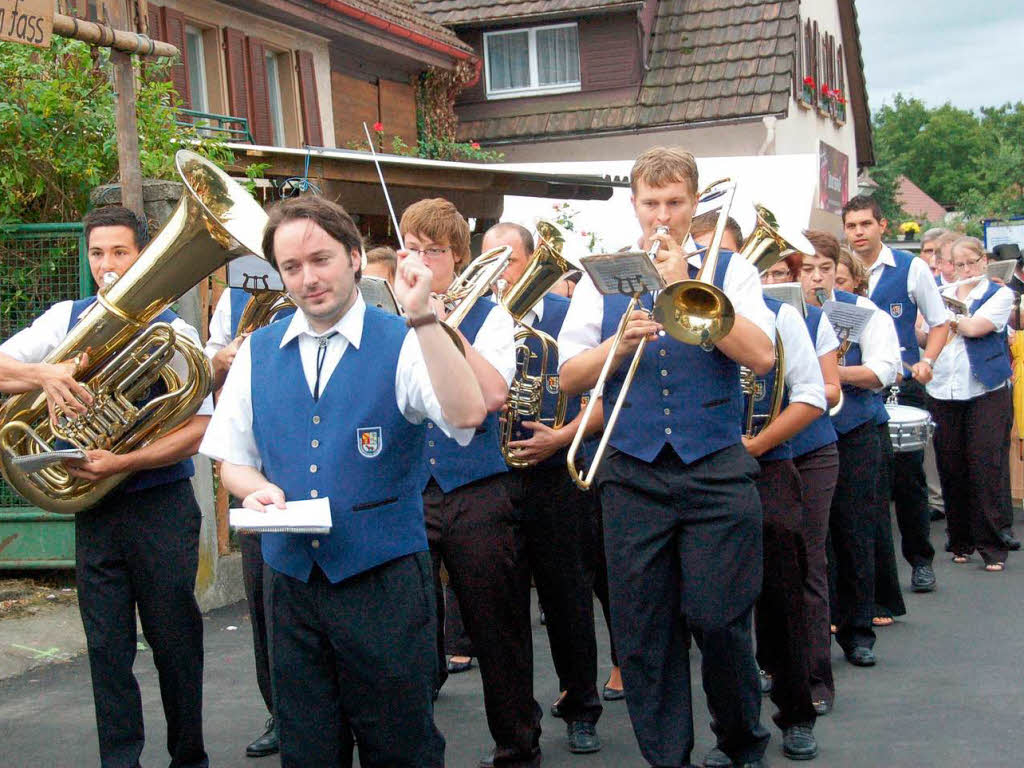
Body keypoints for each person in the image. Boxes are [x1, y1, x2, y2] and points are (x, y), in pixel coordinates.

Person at [200, 196, 487, 767]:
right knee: (307, 750)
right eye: (292, 267)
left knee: (400, 748)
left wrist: (424, 316)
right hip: (290, 584)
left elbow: (466, 413)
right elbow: (231, 458)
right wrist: (252, 486)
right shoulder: (257, 351)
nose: (308, 279)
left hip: (382, 582)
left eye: (321, 259)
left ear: (355, 258)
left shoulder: (404, 338)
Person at [558, 146, 775, 768]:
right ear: (633, 204)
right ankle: (667, 758)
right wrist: (617, 346)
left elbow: (760, 357)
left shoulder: (730, 271)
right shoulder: (602, 276)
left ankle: (740, 745)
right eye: (650, 203)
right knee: (645, 635)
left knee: (720, 622)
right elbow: (571, 378)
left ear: (693, 205)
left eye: (674, 203)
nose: (662, 215)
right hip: (631, 473)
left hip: (714, 468)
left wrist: (687, 285)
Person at [0, 206, 211, 768]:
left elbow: (198, 429)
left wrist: (124, 459)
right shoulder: (64, 320)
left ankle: (189, 757)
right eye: (97, 253)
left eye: (119, 252)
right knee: (106, 650)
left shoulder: (175, 329)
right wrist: (45, 373)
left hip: (160, 505)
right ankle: (121, 761)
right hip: (94, 514)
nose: (107, 264)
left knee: (175, 644)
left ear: (141, 254)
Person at [399, 199, 545, 768]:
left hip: (475, 485)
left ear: (457, 257)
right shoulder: (387, 314)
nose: (418, 258)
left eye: (431, 250)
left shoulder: (492, 316)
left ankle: (518, 744)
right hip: (412, 485)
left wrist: (438, 322)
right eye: (409, 246)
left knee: (496, 623)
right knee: (406, 624)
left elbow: (492, 397)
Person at [483, 222, 604, 749]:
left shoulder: (564, 316)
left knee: (567, 596)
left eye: (508, 260)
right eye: (488, 261)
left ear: (534, 262)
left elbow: (603, 396)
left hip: (554, 477)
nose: (498, 273)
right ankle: (517, 723)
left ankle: (582, 706)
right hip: (491, 480)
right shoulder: (473, 319)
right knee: (500, 607)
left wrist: (561, 438)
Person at [802, 229, 901, 669]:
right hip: (801, 434)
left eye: (826, 269)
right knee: (805, 540)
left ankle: (858, 631)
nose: (818, 278)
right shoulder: (784, 308)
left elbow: (885, 369)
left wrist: (833, 373)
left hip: (855, 428)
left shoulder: (864, 310)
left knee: (855, 532)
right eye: (808, 270)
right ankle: (808, 629)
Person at [205, 283, 294, 758]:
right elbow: (211, 363)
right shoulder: (235, 300)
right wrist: (229, 358)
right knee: (266, 609)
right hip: (260, 480)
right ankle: (280, 712)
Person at [843, 195, 948, 594]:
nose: (858, 233)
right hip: (853, 387)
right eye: (851, 226)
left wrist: (928, 362)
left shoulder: (910, 267)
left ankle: (921, 560)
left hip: (901, 386)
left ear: (882, 226)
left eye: (865, 224)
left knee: (908, 480)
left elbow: (939, 324)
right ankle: (871, 577)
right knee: (866, 487)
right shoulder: (840, 270)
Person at [926, 236, 1014, 571]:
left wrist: (943, 317)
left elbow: (975, 327)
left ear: (983, 261)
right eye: (958, 264)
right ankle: (959, 539)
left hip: (985, 389)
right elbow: (922, 334)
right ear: (948, 265)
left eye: (972, 263)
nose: (965, 270)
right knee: (951, 465)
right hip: (943, 388)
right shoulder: (938, 293)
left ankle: (993, 545)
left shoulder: (999, 293)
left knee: (985, 465)